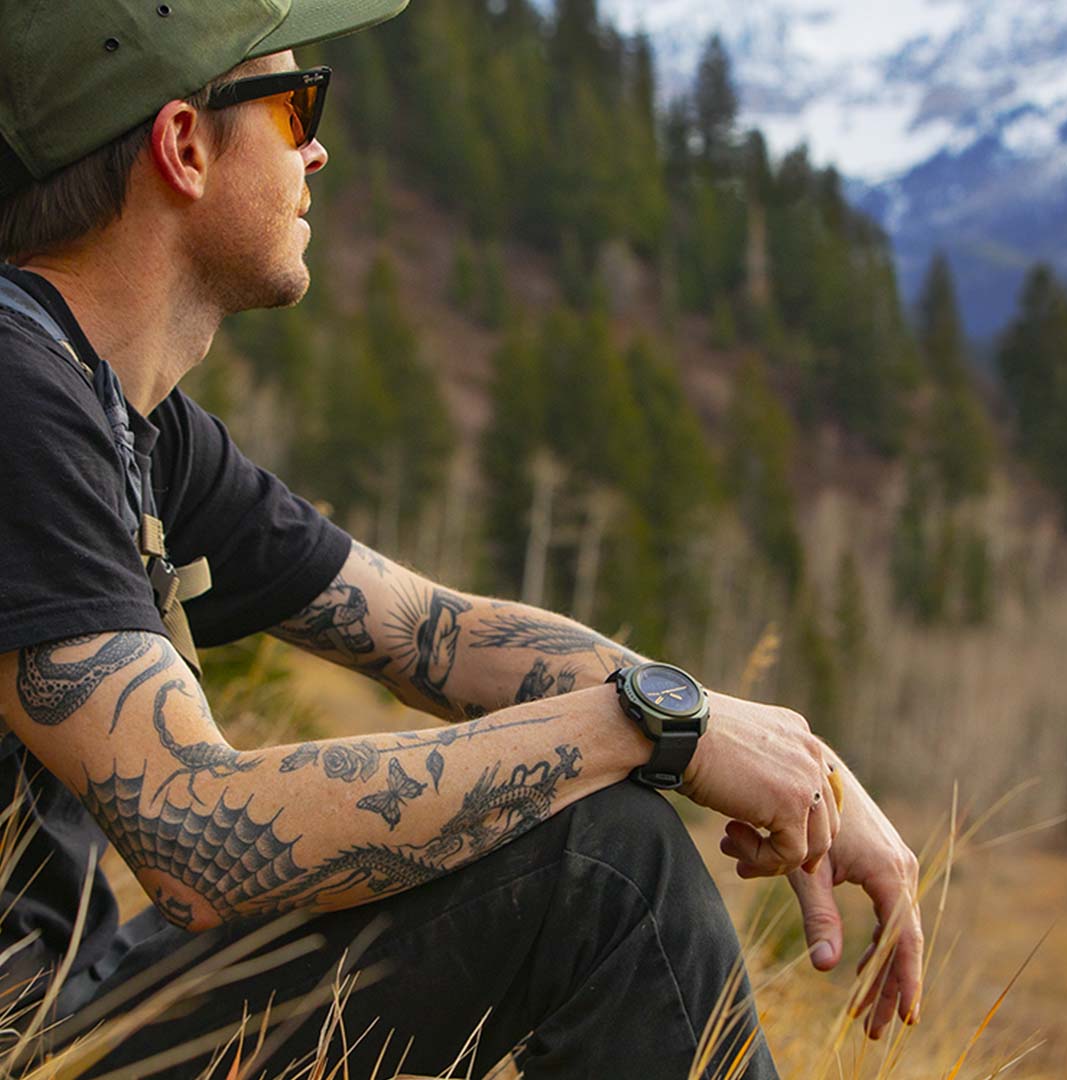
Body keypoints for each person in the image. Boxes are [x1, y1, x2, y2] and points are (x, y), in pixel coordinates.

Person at [0, 2, 923, 1077]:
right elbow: (198, 836)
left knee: (583, 832)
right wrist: (639, 730)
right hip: (36, 1046)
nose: (319, 146)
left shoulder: (127, 423)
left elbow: (431, 633)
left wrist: (756, 746)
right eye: (296, 104)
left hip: (77, 1003)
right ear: (184, 146)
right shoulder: (18, 400)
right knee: (600, 867)